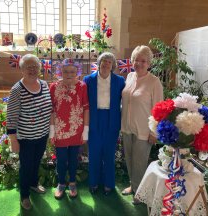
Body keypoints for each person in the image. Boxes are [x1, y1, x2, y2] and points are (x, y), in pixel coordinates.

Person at [6, 54, 52, 210]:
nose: (32, 69)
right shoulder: (17, 90)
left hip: (42, 134)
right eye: (28, 67)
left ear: (40, 67)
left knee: (36, 162)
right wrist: (13, 140)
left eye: (35, 66)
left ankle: (33, 184)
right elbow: (11, 116)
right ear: (22, 69)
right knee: (26, 166)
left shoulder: (44, 84)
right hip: (25, 137)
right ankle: (24, 195)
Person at [121, 45, 163, 204]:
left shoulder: (154, 82)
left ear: (149, 63)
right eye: (136, 60)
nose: (139, 63)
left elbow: (159, 109)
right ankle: (133, 186)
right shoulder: (130, 76)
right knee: (130, 159)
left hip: (144, 131)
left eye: (143, 61)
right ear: (132, 61)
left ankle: (140, 193)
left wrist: (154, 133)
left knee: (140, 163)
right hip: (127, 127)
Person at [83, 52, 125, 195]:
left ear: (113, 65)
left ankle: (108, 184)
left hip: (112, 119)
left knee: (109, 154)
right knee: (94, 153)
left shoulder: (120, 81)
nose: (106, 64)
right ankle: (93, 183)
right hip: (94, 119)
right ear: (99, 63)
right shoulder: (88, 79)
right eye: (104, 61)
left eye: (109, 62)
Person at [49, 58, 89, 199]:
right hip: (60, 131)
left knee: (73, 159)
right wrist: (52, 132)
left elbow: (86, 109)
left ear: (77, 72)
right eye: (65, 71)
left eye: (72, 71)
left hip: (76, 130)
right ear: (60, 72)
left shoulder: (82, 86)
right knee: (61, 159)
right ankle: (61, 184)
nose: (69, 74)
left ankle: (72, 183)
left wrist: (85, 131)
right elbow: (52, 110)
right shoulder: (53, 87)